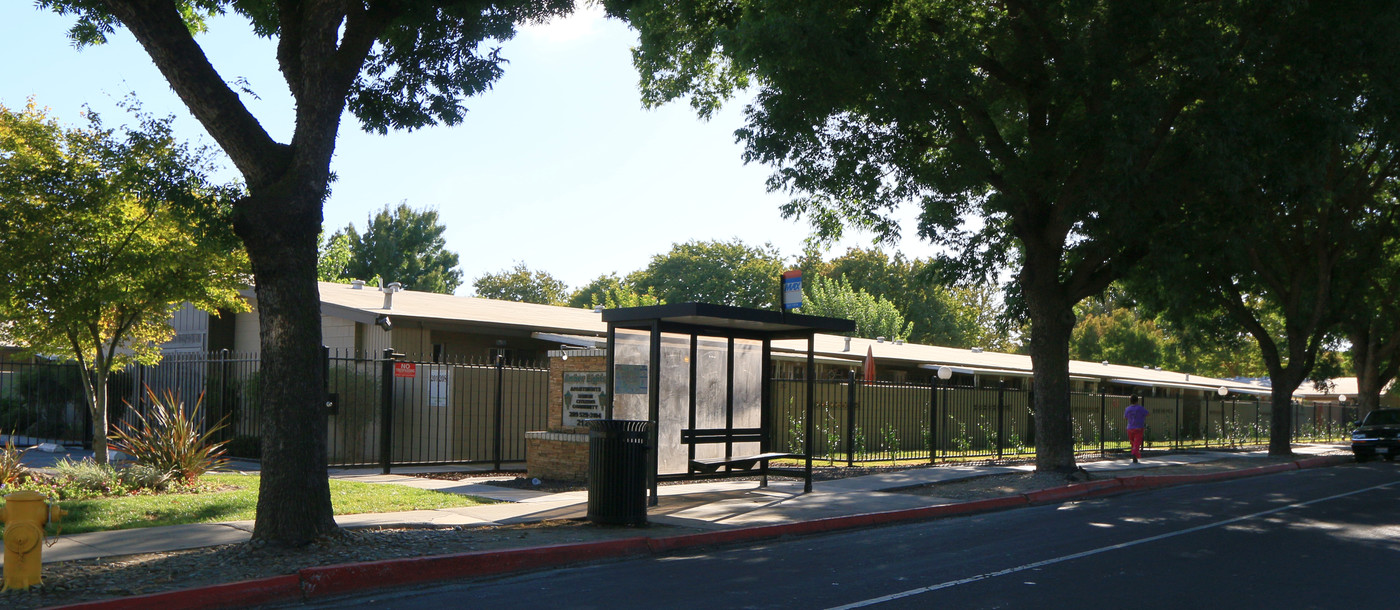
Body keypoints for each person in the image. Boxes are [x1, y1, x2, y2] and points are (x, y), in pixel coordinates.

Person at [1124, 394, 1149, 464]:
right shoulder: (1140, 408)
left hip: (1130, 428)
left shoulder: (1127, 409)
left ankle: (1135, 455)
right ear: (1137, 400)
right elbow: (1147, 414)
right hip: (1139, 427)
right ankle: (1134, 453)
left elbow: (1125, 417)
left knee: (1133, 443)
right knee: (1137, 442)